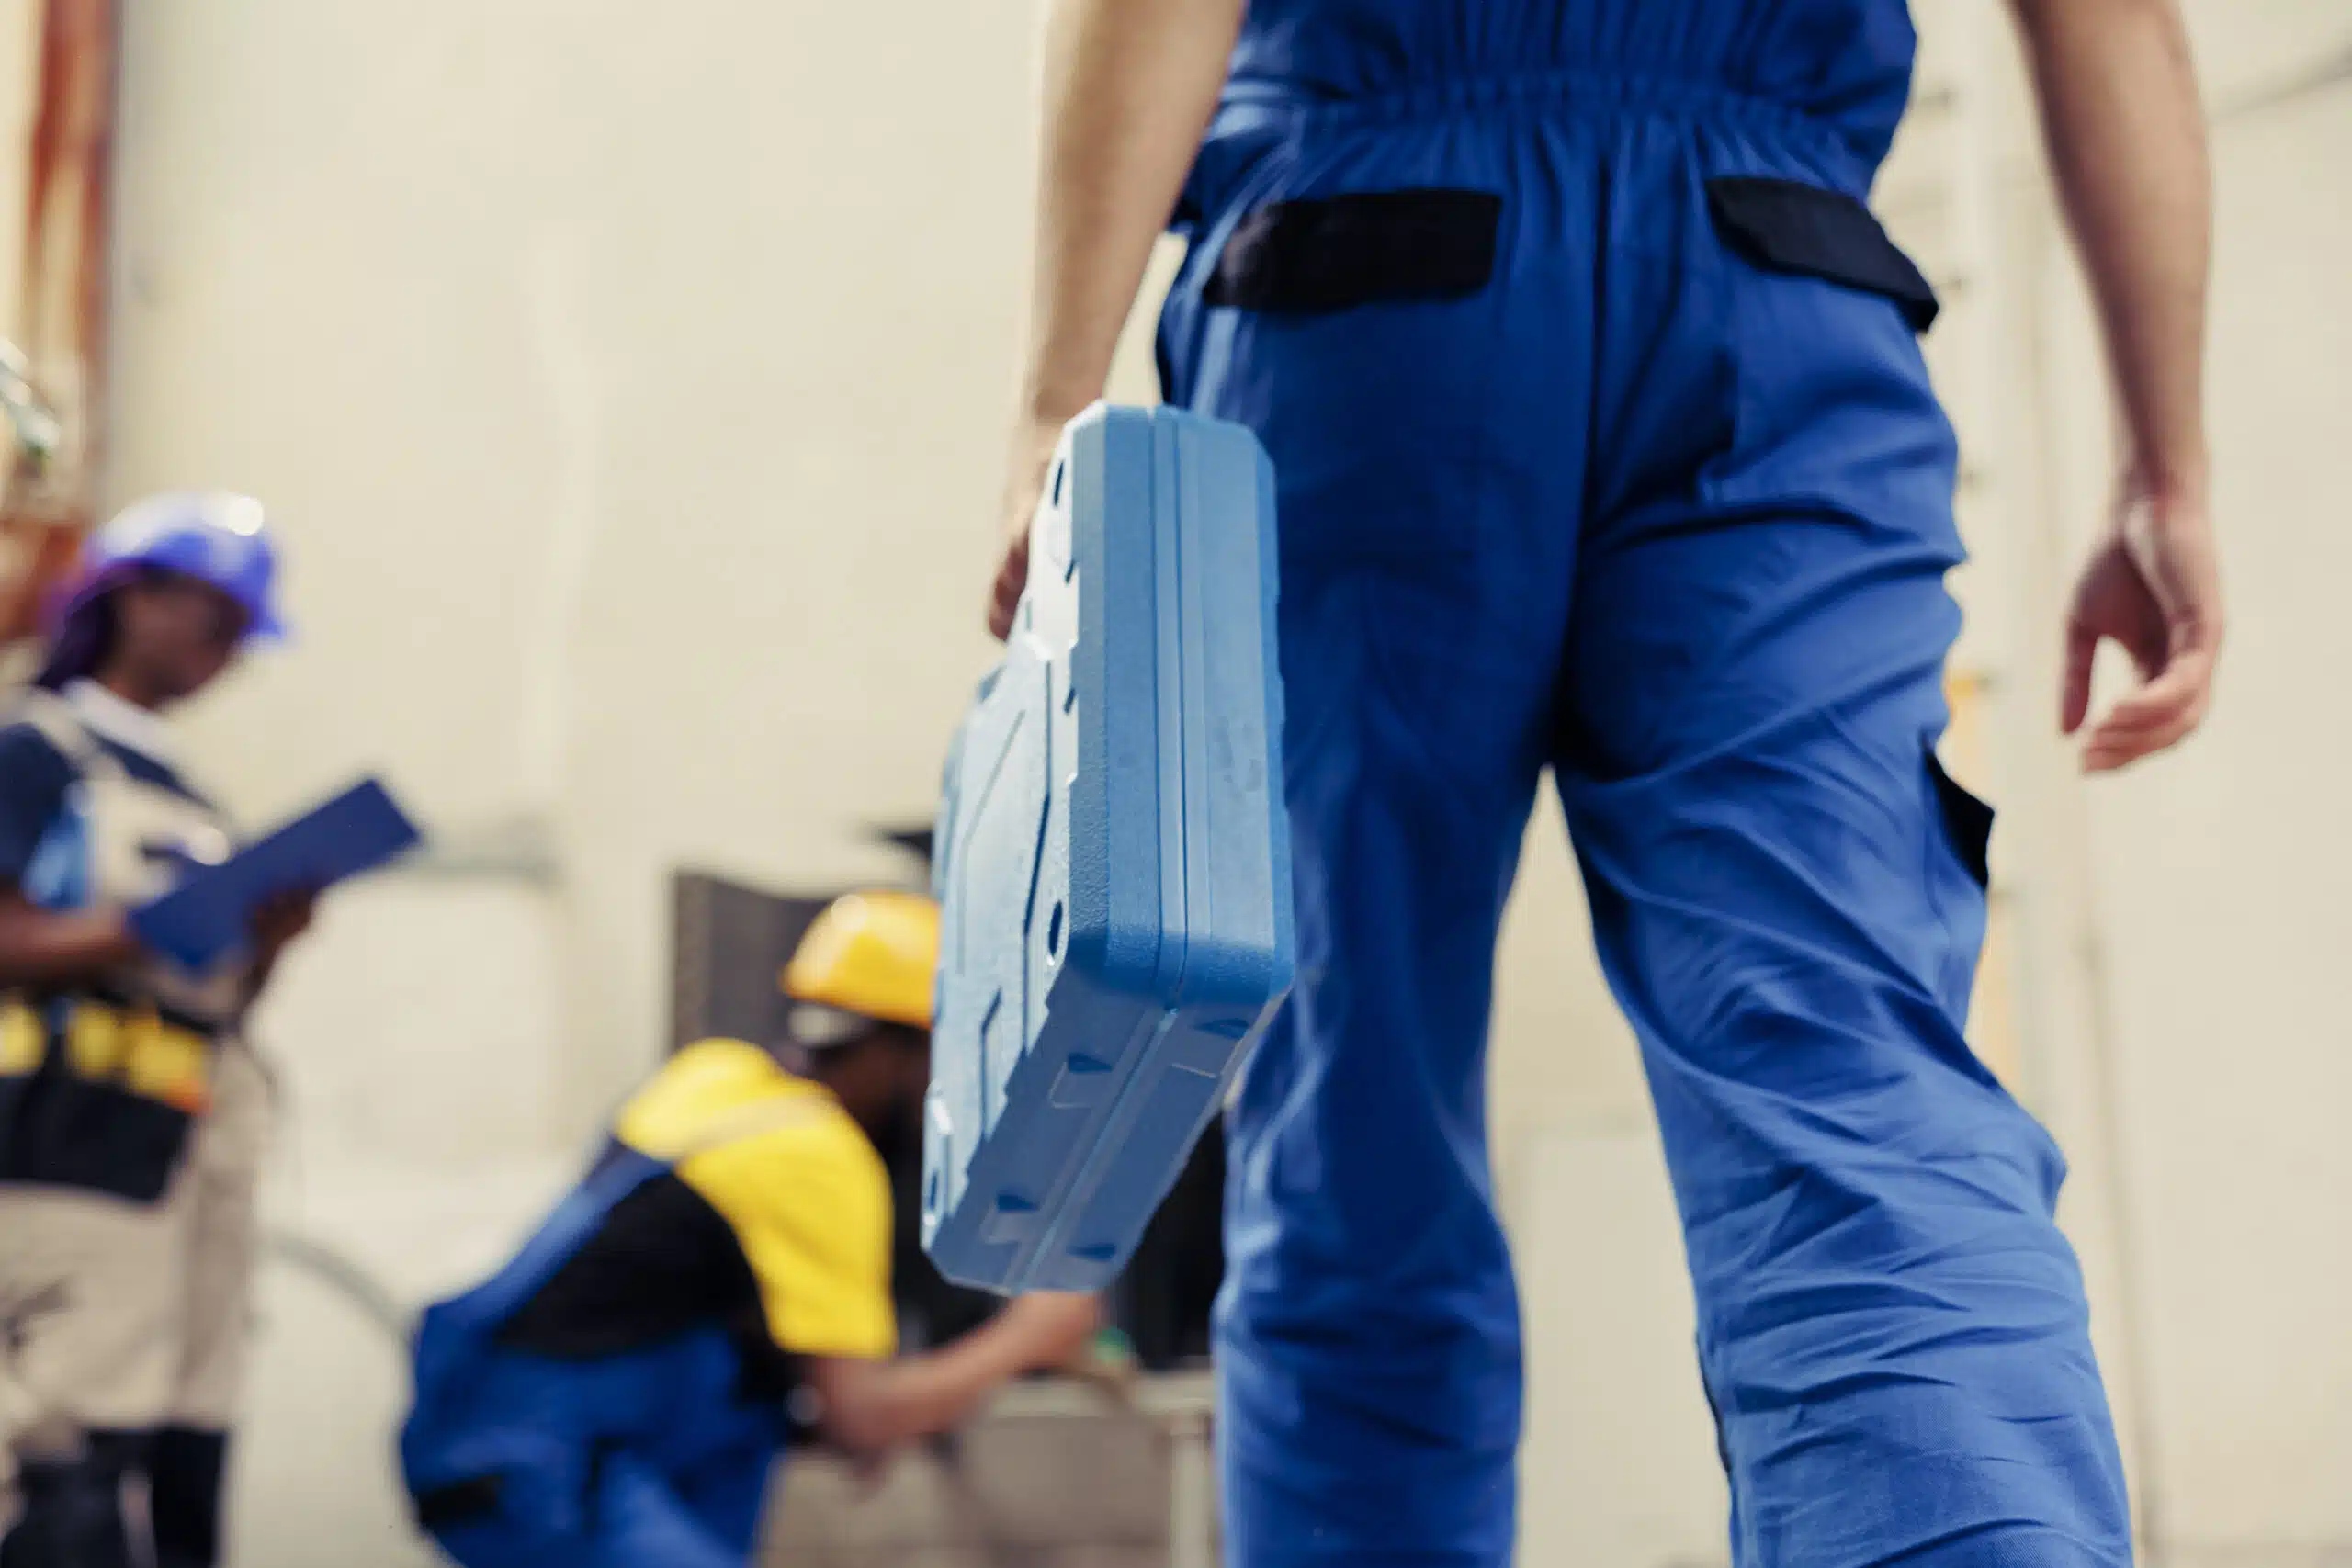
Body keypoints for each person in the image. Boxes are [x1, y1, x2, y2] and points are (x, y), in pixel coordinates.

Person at [984, 1, 2222, 1564]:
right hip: (1775, 296)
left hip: (1366, 289)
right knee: (1849, 1071)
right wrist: (2163, 466)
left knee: (1349, 1110)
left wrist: (1055, 395)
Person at [399, 889, 1104, 1568]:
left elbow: (673, 1301)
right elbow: (860, 1416)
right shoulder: (820, 1155)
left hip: (492, 1441)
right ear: (904, 1051)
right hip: (554, 1468)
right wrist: (1031, 1334)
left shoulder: (716, 1076)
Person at [0, 491, 309, 1568]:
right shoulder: (35, 751)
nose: (221, 655)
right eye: (213, 621)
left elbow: (217, 1003)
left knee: (177, 1441)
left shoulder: (191, 797)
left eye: (239, 637)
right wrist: (144, 926)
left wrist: (267, 938)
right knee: (67, 1451)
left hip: (179, 1153)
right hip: (60, 1153)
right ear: (135, 598)